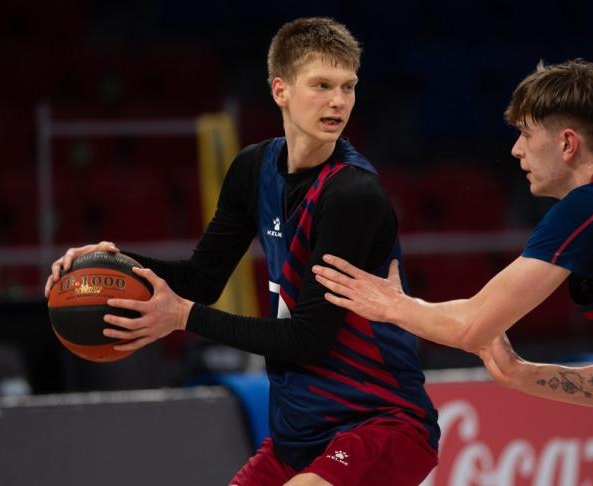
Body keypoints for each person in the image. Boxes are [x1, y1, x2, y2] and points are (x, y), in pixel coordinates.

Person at [45, 17, 439, 486]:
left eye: (348, 87)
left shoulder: (353, 194)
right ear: (281, 90)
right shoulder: (253, 169)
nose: (338, 101)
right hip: (299, 432)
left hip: (381, 420)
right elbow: (201, 279)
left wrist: (183, 316)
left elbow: (309, 340)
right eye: (322, 85)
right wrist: (110, 262)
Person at [312, 59, 593, 482]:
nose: (515, 149)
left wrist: (392, 306)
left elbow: (471, 326)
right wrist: (523, 375)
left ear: (567, 143)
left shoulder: (591, 206)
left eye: (525, 133)